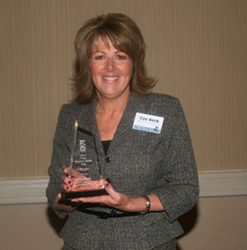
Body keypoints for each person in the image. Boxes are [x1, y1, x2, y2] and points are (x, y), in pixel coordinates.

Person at [46, 13, 199, 250]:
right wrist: (69, 195)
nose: (110, 67)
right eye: (99, 56)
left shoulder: (165, 109)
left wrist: (132, 203)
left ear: (133, 62)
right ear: (88, 64)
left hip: (148, 241)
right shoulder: (70, 115)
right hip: (82, 241)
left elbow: (186, 189)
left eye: (120, 56)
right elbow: (54, 190)